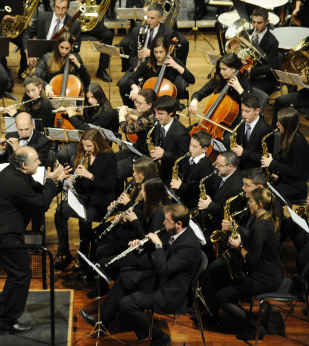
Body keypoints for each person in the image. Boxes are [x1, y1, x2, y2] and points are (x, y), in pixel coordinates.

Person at [80, 203, 201, 345]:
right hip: (162, 278)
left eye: (166, 220)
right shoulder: (175, 231)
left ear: (178, 224)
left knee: (126, 304)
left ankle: (160, 337)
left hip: (172, 290)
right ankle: (102, 321)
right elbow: (163, 256)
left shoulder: (189, 245)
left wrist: (157, 245)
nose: (163, 222)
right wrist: (143, 243)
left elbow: (164, 269)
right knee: (124, 277)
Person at [0, 146, 65, 334]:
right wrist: (51, 181)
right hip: (0, 235)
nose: (40, 163)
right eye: (36, 161)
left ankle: (3, 314)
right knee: (21, 274)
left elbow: (39, 192)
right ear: (24, 165)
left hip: (4, 232)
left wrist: (55, 182)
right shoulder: (14, 181)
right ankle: (8, 318)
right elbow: (42, 204)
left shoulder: (17, 174)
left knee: (19, 272)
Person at [210, 187, 282, 341]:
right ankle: (242, 320)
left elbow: (252, 261)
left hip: (265, 278)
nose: (248, 203)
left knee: (221, 297)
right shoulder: (266, 220)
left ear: (260, 204)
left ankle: (256, 326)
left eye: (251, 201)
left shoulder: (260, 227)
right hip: (270, 273)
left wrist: (239, 247)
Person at [54, 128, 117, 271]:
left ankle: (83, 258)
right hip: (83, 196)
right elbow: (83, 185)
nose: (85, 149)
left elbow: (109, 185)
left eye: (89, 146)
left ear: (98, 143)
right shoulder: (83, 153)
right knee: (59, 213)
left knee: (85, 219)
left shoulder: (109, 157)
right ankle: (64, 252)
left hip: (101, 200)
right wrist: (73, 181)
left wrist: (90, 176)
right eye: (84, 145)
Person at [121, 36, 195, 106]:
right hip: (149, 102)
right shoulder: (148, 63)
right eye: (155, 52)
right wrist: (135, 88)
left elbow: (191, 80)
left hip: (168, 103)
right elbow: (131, 79)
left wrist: (176, 66)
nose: (158, 55)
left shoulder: (174, 62)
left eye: (161, 52)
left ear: (167, 50)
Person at [22, 0, 82, 78]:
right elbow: (27, 33)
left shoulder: (75, 24)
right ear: (53, 6)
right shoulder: (42, 17)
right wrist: (28, 50)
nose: (60, 12)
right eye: (57, 8)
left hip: (61, 58)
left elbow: (76, 49)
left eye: (63, 8)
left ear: (67, 8)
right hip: (41, 56)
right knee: (34, 79)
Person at [261, 107, 309, 201]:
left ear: (287, 125)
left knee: (268, 197)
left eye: (280, 122)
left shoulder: (297, 143)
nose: (277, 124)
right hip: (287, 178)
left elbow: (296, 172)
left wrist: (273, 164)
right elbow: (283, 157)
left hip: (296, 185)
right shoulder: (288, 135)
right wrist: (274, 168)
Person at [189, 53, 252, 121]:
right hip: (216, 119)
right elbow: (199, 93)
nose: (221, 72)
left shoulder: (244, 81)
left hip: (234, 122)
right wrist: (195, 100)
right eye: (220, 69)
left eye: (224, 69)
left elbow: (250, 105)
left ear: (234, 69)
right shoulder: (219, 78)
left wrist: (239, 89)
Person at [118, 3, 174, 74]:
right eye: (147, 17)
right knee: (122, 84)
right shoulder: (137, 30)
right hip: (138, 67)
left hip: (155, 69)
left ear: (161, 18)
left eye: (152, 18)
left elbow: (167, 56)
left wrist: (151, 53)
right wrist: (135, 66)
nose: (148, 21)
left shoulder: (168, 33)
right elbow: (133, 54)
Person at [117, 88, 157, 179]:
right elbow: (142, 122)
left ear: (149, 105)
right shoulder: (151, 114)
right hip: (137, 149)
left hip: (143, 155)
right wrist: (130, 116)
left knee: (115, 169)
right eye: (136, 101)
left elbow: (125, 128)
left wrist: (121, 115)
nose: (136, 104)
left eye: (139, 103)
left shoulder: (151, 118)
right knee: (112, 158)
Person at [149, 95, 190, 183]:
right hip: (161, 170)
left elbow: (184, 161)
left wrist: (164, 155)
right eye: (155, 112)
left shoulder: (181, 133)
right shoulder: (158, 125)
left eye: (160, 114)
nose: (156, 117)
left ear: (171, 113)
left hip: (173, 177)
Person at [225, 94, 271, 171]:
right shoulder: (241, 121)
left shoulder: (265, 129)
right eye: (242, 110)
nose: (243, 114)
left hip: (253, 168)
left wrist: (243, 152)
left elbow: (264, 157)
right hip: (239, 162)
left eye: (247, 111)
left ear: (257, 111)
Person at [171, 131, 214, 209]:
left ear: (204, 149)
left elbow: (200, 189)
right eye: (190, 144)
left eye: (195, 146)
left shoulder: (206, 166)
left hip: (192, 204)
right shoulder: (188, 156)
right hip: (183, 197)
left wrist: (181, 186)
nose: (191, 148)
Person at [243, 8, 280, 95]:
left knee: (251, 92)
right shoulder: (247, 34)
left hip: (264, 79)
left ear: (267, 22)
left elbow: (272, 67)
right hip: (246, 73)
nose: (255, 26)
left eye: (259, 23)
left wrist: (252, 71)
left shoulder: (272, 41)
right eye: (253, 22)